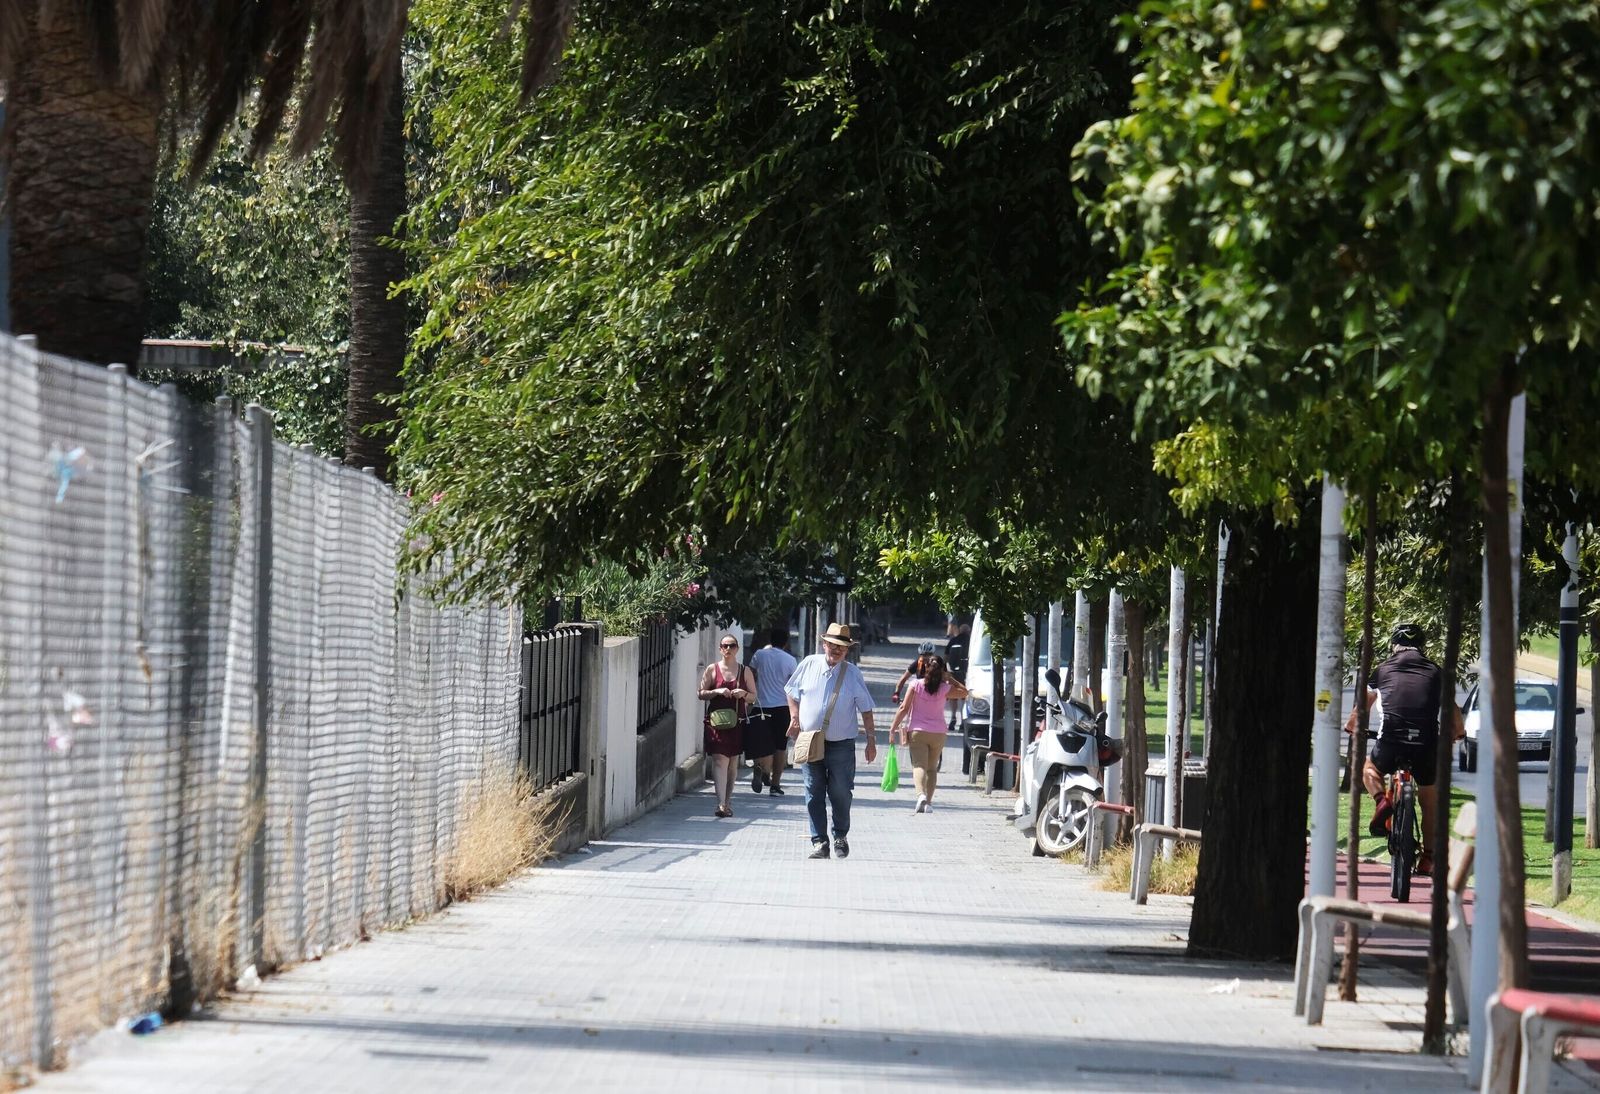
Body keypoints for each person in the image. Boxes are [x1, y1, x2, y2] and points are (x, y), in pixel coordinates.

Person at [1343, 622, 1465, 876]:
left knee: (1369, 769)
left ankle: (1381, 802)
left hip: (1392, 738)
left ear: (1394, 645)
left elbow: (1364, 703)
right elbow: (1451, 707)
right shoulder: (1436, 671)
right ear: (1422, 646)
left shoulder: (1383, 669)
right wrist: (1458, 732)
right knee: (1430, 800)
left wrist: (1353, 726)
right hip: (1426, 742)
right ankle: (1429, 858)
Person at [785, 622, 878, 859]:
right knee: (813, 792)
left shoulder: (852, 674)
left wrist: (871, 740)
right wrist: (794, 717)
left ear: (847, 650)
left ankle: (840, 836)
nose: (836, 650)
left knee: (841, 792)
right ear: (824, 644)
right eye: (833, 645)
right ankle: (819, 842)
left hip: (841, 745)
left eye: (841, 647)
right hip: (809, 740)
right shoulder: (808, 664)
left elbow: (866, 709)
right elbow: (791, 691)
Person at [888, 654, 968, 813]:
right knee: (932, 768)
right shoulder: (945, 689)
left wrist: (892, 729)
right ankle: (928, 804)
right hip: (938, 733)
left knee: (919, 765)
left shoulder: (915, 685)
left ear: (925, 668)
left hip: (917, 732)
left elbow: (904, 708)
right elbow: (964, 692)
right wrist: (950, 679)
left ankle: (921, 796)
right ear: (942, 671)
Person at [699, 633, 756, 818]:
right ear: (720, 649)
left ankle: (727, 800)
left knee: (732, 763)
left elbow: (754, 697)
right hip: (716, 722)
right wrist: (716, 691)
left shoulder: (744, 671)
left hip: (736, 723)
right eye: (725, 646)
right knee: (719, 760)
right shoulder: (712, 669)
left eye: (731, 645)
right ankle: (721, 803)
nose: (728, 649)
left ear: (737, 648)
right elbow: (701, 693)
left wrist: (743, 694)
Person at [746, 627, 799, 795]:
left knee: (760, 743)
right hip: (782, 707)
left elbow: (751, 673)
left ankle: (759, 767)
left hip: (760, 705)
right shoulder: (790, 660)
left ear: (771, 639)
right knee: (780, 747)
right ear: (786, 643)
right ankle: (775, 784)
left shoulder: (759, 655)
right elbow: (793, 685)